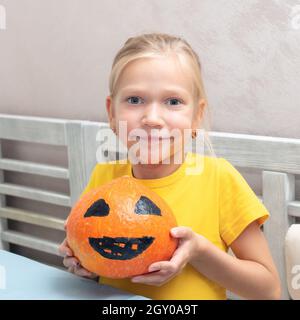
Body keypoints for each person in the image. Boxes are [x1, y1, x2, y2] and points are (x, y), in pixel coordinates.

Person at [59, 32, 281, 300]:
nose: (152, 119)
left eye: (173, 102)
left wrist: (199, 252)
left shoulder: (219, 179)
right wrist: (84, 263)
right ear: (112, 113)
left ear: (197, 115)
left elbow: (268, 291)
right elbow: (105, 265)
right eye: (134, 100)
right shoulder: (104, 176)